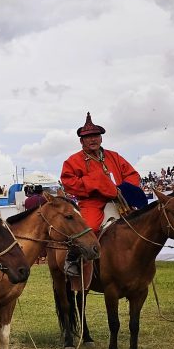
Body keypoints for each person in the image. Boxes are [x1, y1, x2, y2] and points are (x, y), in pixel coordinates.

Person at [60, 112, 142, 276]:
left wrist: (123, 189)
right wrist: (96, 183)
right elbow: (68, 182)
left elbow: (133, 175)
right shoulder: (73, 161)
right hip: (92, 202)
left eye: (96, 136)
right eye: (88, 137)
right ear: (81, 141)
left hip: (120, 201)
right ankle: (73, 260)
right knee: (88, 228)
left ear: (101, 138)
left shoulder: (114, 156)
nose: (93, 139)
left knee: (140, 225)